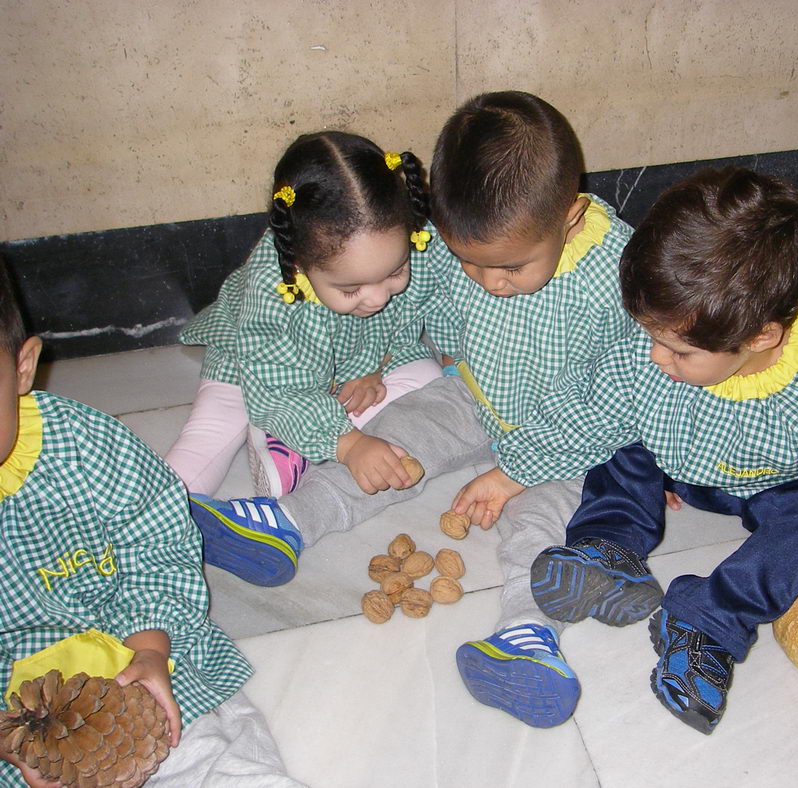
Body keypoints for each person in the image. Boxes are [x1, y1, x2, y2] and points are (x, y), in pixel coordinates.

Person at [452, 167, 798, 734]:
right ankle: (606, 551)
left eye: (678, 351)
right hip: (677, 458)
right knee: (613, 437)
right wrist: (511, 472)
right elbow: (587, 411)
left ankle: (707, 625)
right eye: (651, 335)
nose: (657, 357)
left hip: (776, 485)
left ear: (762, 337)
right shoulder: (652, 350)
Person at [189, 91, 637, 727]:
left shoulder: (620, 274)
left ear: (570, 217)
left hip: (577, 436)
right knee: (396, 439)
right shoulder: (462, 249)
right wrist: (402, 370)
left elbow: (621, 395)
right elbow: (425, 307)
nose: (490, 282)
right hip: (480, 391)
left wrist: (519, 468)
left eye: (509, 267)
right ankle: (286, 521)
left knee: (542, 526)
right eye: (469, 262)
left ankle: (528, 639)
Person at [0, 263, 303, 786]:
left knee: (212, 754)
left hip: (133, 655)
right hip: (15, 718)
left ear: (23, 367)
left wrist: (149, 648)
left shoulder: (85, 447)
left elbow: (158, 539)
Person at [168, 131, 442, 566]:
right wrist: (348, 445)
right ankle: (146, 521)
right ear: (298, 261)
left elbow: (418, 311)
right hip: (252, 369)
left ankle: (295, 440)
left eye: (394, 272)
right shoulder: (272, 289)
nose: (377, 298)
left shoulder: (413, 242)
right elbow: (274, 386)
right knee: (208, 435)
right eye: (351, 288)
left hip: (362, 362)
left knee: (431, 384)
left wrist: (378, 366)